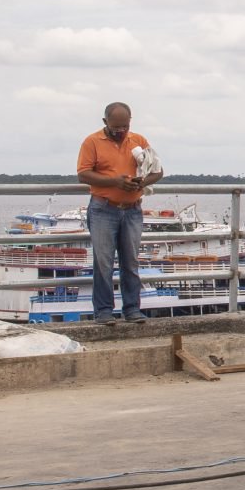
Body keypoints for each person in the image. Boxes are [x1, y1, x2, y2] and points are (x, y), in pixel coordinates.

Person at [75, 101, 154, 324]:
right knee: (104, 262)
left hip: (132, 210)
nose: (121, 131)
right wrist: (115, 183)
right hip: (103, 208)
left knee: (130, 262)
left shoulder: (139, 141)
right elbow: (83, 174)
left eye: (124, 127)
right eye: (116, 127)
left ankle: (132, 309)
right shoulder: (92, 142)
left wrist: (141, 183)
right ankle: (104, 311)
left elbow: (156, 171)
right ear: (105, 122)